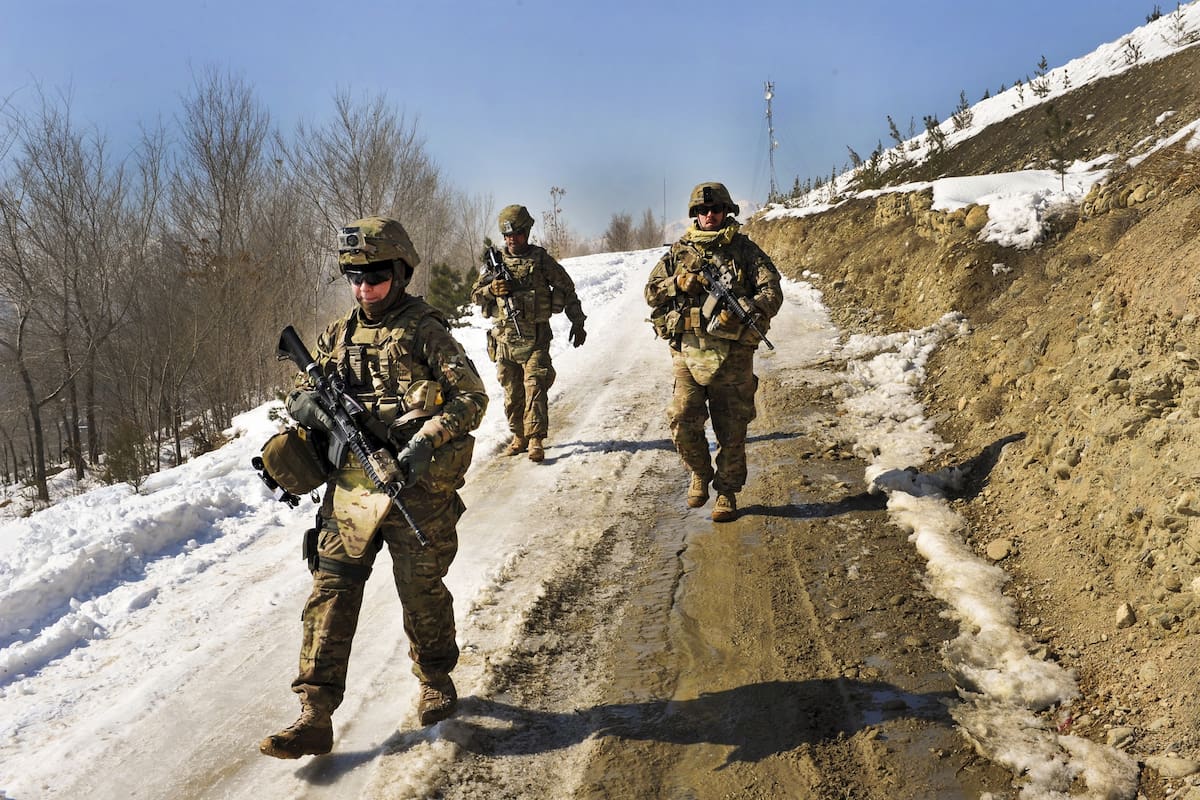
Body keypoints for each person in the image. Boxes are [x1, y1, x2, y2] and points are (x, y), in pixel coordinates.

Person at [260, 216, 488, 759]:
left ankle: (435, 678)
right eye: (355, 276)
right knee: (331, 592)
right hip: (352, 490)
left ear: (401, 271)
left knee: (420, 589)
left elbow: (471, 398)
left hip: (415, 486)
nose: (365, 287)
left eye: (377, 274)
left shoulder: (424, 330)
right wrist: (307, 403)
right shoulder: (338, 334)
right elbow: (300, 388)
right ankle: (313, 712)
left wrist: (428, 438)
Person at [644, 182, 783, 522]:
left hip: (732, 354)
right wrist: (678, 283)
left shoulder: (746, 251)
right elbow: (650, 294)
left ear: (726, 212)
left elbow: (773, 291)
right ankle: (700, 472)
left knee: (731, 426)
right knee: (681, 417)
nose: (709, 215)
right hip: (688, 351)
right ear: (695, 214)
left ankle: (726, 492)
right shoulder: (679, 253)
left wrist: (746, 307)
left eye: (716, 210)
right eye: (703, 211)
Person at [471, 204, 587, 462]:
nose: (512, 240)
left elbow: (566, 288)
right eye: (508, 235)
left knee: (534, 387)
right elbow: (475, 295)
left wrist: (577, 322)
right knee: (512, 395)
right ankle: (519, 436)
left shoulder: (541, 260)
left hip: (535, 338)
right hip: (504, 341)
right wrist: (492, 290)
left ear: (527, 232)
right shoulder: (494, 264)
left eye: (517, 234)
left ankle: (535, 439)